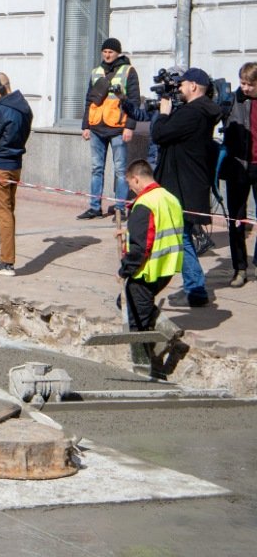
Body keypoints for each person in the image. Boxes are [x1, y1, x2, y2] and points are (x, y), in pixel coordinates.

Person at [151, 67, 222, 307]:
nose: (178, 88)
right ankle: (192, 287)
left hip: (183, 185)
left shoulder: (192, 113)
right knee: (180, 237)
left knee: (179, 237)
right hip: (187, 182)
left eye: (182, 85)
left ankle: (196, 290)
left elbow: (159, 135)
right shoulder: (200, 112)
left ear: (194, 86)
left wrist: (163, 113)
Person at [119, 159, 186, 378]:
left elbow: (141, 246)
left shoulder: (145, 203)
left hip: (146, 269)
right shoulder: (170, 198)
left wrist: (125, 270)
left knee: (136, 317)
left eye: (131, 185)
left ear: (136, 178)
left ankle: (146, 367)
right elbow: (158, 230)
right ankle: (169, 334)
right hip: (166, 267)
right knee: (131, 303)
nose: (131, 190)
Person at [78, 38, 141, 220]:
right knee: (96, 168)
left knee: (121, 170)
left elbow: (134, 102)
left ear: (118, 53)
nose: (107, 54)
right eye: (104, 51)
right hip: (97, 126)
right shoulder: (96, 72)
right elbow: (89, 100)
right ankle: (95, 207)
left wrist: (130, 126)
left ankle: (120, 208)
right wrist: (86, 125)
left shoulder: (128, 71)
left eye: (111, 52)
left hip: (118, 127)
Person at [0, 72, 33, 277]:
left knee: (3, 215)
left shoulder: (1, 110)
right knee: (8, 212)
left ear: (0, 88)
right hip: (15, 164)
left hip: (0, 165)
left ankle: (6, 262)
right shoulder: (24, 106)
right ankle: (4, 257)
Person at [223, 62, 257, 288]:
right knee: (236, 219)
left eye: (250, 85)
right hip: (238, 165)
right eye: (242, 83)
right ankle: (240, 268)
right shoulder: (234, 100)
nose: (245, 88)